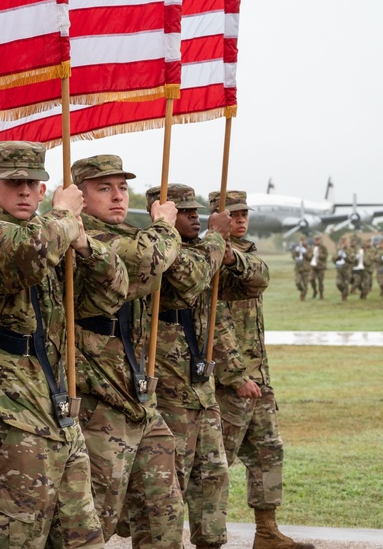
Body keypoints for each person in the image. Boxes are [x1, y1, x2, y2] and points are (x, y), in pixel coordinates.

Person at [0, 141, 128, 549]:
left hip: (59, 413)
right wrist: (65, 215)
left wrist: (85, 245)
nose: (25, 191)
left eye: (34, 183)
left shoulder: (58, 236)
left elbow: (114, 290)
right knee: (12, 538)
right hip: (10, 418)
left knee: (82, 538)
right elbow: (26, 256)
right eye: (14, 182)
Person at [71, 155, 184, 547]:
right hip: (97, 397)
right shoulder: (84, 238)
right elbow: (143, 260)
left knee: (164, 511)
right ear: (79, 198)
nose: (118, 196)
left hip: (137, 393)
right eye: (105, 188)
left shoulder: (129, 233)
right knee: (94, 516)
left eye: (122, 187)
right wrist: (165, 226)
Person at [211, 191, 314, 549]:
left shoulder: (244, 257)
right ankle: (209, 538)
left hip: (258, 376)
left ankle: (267, 531)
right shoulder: (204, 257)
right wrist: (235, 374)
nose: (240, 220)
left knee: (269, 451)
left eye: (244, 214)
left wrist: (231, 255)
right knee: (215, 463)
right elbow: (214, 320)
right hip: (226, 381)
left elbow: (260, 277)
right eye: (233, 215)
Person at [144, 184, 241, 549]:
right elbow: (189, 276)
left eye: (196, 211)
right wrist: (216, 237)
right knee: (171, 481)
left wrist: (227, 253)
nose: (195, 217)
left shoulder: (207, 251)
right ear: (162, 213)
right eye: (185, 211)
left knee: (213, 473)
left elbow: (256, 278)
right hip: (169, 388)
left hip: (202, 387)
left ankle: (211, 541)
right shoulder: (159, 252)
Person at [306, 235, 327, 299]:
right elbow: (308, 256)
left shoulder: (323, 247)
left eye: (318, 240)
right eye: (316, 240)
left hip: (320, 266)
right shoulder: (311, 248)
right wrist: (312, 254)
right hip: (313, 266)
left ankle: (321, 294)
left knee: (320, 281)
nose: (317, 241)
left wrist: (319, 255)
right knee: (311, 279)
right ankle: (314, 290)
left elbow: (325, 256)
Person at [333, 236, 354, 301]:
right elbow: (333, 260)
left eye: (344, 241)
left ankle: (344, 296)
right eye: (342, 241)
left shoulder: (350, 250)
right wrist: (338, 256)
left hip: (347, 269)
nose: (343, 243)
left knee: (346, 283)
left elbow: (352, 260)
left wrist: (346, 256)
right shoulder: (338, 250)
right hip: (339, 269)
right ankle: (343, 292)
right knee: (338, 283)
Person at [290, 236, 309, 301]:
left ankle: (303, 295)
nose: (302, 241)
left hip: (305, 268)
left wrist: (305, 252)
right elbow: (293, 256)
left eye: (303, 240)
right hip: (298, 268)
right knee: (297, 282)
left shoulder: (308, 248)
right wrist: (296, 251)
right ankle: (302, 290)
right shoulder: (297, 248)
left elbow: (310, 257)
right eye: (301, 240)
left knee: (305, 283)